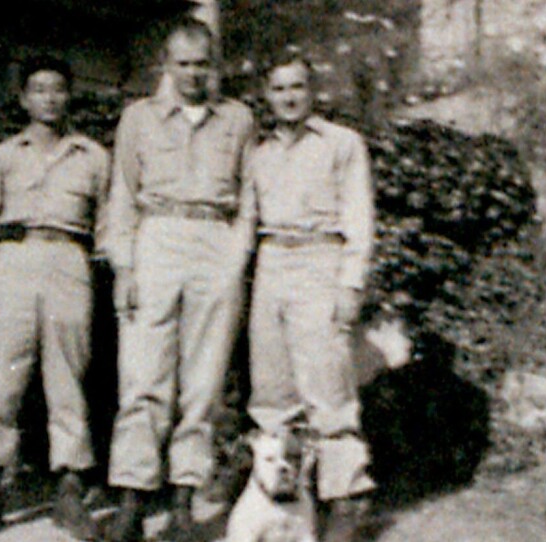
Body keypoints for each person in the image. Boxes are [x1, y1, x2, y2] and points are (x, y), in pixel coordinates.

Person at [102, 17, 255, 542]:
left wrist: (236, 258)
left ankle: (185, 500)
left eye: (202, 65)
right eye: (183, 64)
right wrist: (124, 266)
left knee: (203, 382)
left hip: (215, 240)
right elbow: (121, 196)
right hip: (157, 238)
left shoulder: (237, 119)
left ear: (216, 67)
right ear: (165, 66)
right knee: (143, 377)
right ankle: (132, 499)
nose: (193, 75)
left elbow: (249, 199)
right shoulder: (138, 119)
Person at [0, 55, 109, 540]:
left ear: (70, 96)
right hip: (16, 259)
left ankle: (69, 487)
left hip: (69, 259)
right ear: (24, 98)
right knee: (4, 374)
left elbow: (106, 223)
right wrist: (3, 254)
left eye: (58, 89)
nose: (49, 98)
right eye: (39, 89)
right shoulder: (3, 155)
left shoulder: (92, 156)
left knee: (67, 378)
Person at [241, 49, 377, 540]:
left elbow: (360, 217)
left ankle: (346, 498)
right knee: (271, 391)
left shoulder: (342, 143)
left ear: (312, 91)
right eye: (278, 89)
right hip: (272, 261)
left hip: (322, 260)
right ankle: (282, 505)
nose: (288, 98)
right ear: (266, 96)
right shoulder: (258, 152)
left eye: (296, 87)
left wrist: (351, 282)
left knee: (327, 388)